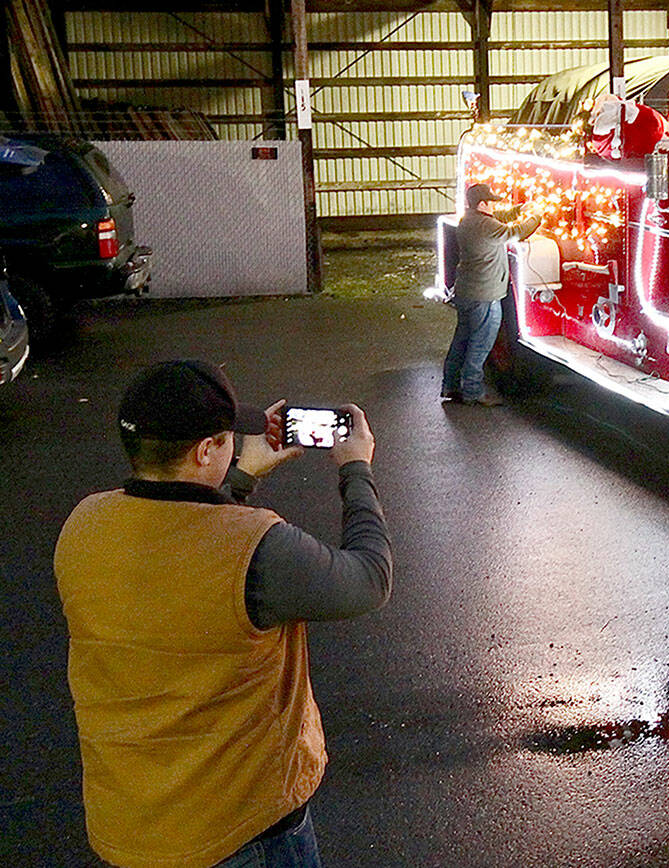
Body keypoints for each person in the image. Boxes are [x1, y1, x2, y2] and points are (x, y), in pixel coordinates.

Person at [54, 360, 393, 868]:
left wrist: (238, 474)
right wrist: (356, 468)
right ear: (206, 450)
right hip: (241, 830)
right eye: (228, 436)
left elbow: (182, 543)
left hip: (131, 822)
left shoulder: (85, 522)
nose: (237, 441)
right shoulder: (255, 545)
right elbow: (369, 581)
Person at [441, 182, 540, 407]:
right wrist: (535, 217)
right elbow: (515, 232)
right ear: (482, 203)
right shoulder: (485, 226)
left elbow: (499, 217)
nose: (494, 206)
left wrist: (518, 209)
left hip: (468, 292)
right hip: (484, 296)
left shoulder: (469, 220)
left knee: (462, 341)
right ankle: (473, 391)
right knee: (481, 344)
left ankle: (451, 385)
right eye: (491, 202)